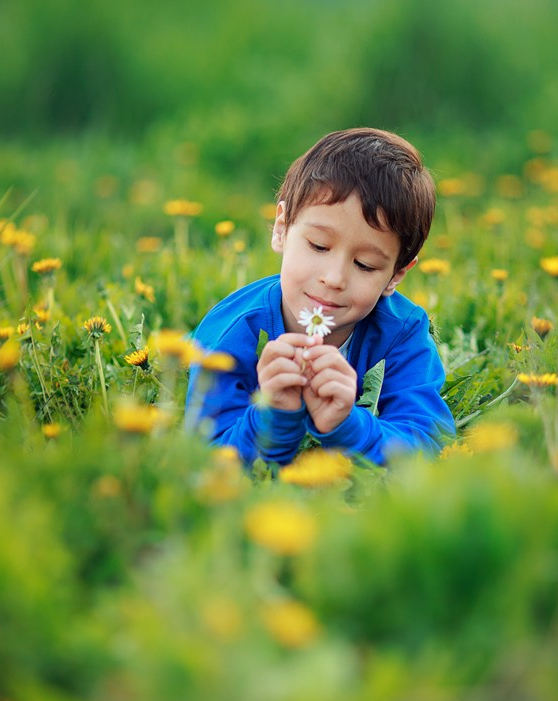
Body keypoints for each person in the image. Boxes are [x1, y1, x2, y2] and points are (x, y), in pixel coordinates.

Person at [185, 127, 455, 466]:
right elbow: (206, 458)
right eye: (318, 246)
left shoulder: (402, 333)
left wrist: (349, 426)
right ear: (282, 228)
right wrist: (273, 415)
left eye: (365, 265)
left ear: (396, 275)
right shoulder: (232, 334)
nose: (334, 278)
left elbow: (430, 445)